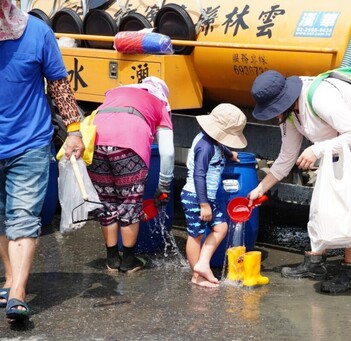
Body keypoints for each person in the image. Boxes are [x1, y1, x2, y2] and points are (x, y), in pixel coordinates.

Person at [248, 70, 351, 294]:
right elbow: (286, 158)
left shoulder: (319, 98)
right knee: (324, 203)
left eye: (275, 110)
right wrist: (260, 188)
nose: (275, 116)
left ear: (285, 99)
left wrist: (317, 149)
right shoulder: (290, 114)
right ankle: (315, 263)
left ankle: (349, 272)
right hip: (340, 141)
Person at [0, 0, 85, 321]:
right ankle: (9, 280)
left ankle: (19, 292)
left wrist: (74, 130)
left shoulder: (37, 33)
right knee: (1, 216)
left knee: (22, 215)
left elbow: (59, 83)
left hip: (30, 143)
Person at [87, 76, 175, 274]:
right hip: (129, 147)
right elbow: (168, 152)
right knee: (129, 202)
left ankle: (111, 260)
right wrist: (164, 185)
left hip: (95, 144)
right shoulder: (159, 103)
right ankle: (128, 261)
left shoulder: (115, 92)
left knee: (107, 202)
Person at [181, 103, 247, 288]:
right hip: (196, 196)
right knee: (196, 235)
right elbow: (198, 174)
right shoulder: (205, 147)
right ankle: (197, 275)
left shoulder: (213, 141)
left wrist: (230, 154)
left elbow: (220, 146)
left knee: (221, 227)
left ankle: (202, 263)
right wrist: (203, 204)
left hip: (206, 197)